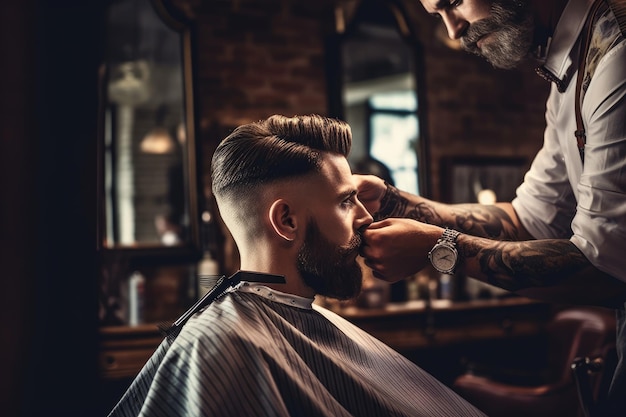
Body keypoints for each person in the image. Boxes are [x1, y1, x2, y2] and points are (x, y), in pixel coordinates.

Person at [108, 114, 486, 417]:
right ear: (286, 220)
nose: (366, 217)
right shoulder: (223, 345)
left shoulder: (285, 319)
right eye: (345, 202)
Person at [356, 0, 626, 414]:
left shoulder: (617, 53)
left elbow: (606, 269)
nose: (451, 30)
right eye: (437, 15)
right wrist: (394, 201)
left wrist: (438, 248)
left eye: (453, 3)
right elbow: (529, 220)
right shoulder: (569, 70)